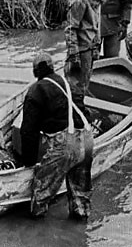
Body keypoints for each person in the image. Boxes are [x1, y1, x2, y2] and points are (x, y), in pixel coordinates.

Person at [17, 52, 93, 220]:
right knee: (80, 197)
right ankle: (80, 233)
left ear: (35, 72)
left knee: (41, 192)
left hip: (65, 145)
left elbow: (28, 132)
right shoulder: (70, 83)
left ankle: (35, 232)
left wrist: (28, 163)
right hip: (87, 139)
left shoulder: (36, 91)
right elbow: (84, 112)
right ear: (52, 67)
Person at [64, 0, 105, 108]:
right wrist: (73, 53)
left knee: (84, 82)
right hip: (80, 50)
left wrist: (96, 47)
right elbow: (70, 28)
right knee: (75, 85)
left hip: (89, 48)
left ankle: (78, 110)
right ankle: (74, 112)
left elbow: (95, 26)